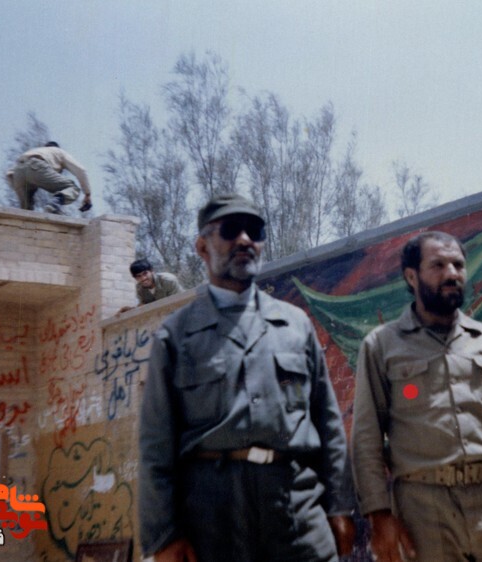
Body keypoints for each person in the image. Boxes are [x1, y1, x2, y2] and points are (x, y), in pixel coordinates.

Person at [138, 193, 355, 562]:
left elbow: (328, 424)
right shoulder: (176, 336)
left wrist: (340, 505)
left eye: (254, 231)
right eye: (230, 230)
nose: (244, 240)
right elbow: (155, 444)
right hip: (212, 519)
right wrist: (163, 535)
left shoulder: (295, 325)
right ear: (202, 247)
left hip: (296, 510)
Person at [351, 230, 482, 562]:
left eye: (458, 265)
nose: (452, 274)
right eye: (438, 265)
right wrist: (379, 516)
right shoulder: (381, 346)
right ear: (411, 276)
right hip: (422, 511)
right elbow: (366, 439)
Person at [5, 141, 92, 214]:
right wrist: (87, 194)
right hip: (36, 166)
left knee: (27, 211)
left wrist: (17, 187)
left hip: (17, 173)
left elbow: (9, 174)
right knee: (72, 188)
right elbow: (81, 170)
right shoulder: (58, 151)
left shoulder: (36, 150)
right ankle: (54, 205)